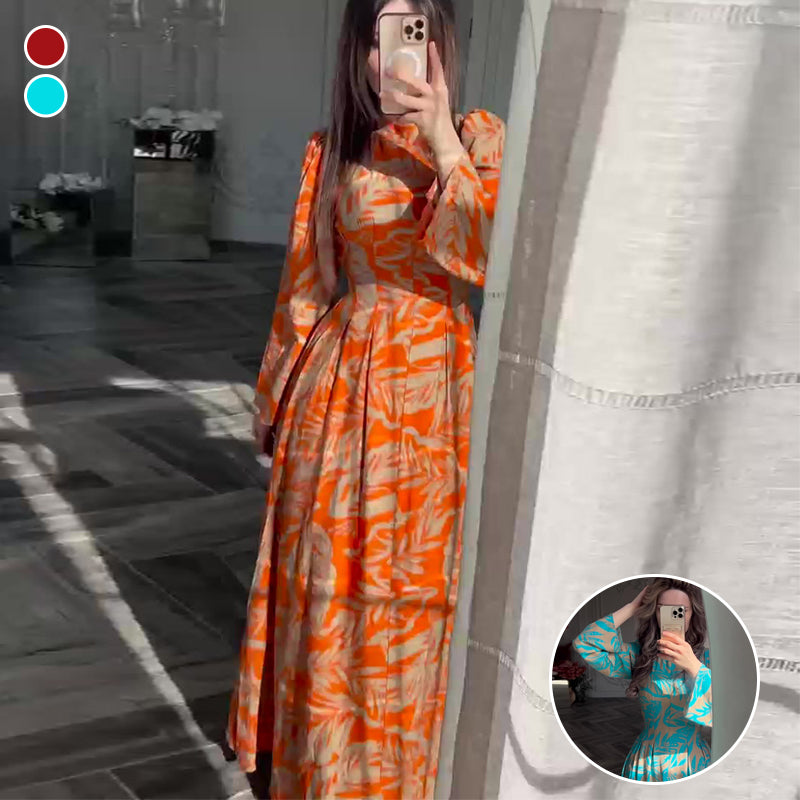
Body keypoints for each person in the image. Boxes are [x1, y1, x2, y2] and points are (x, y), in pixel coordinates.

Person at [226, 0, 505, 796]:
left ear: (439, 43)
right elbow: (304, 288)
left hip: (438, 395)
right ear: (360, 49)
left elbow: (488, 261)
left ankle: (403, 770)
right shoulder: (332, 151)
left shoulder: (483, 140)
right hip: (340, 389)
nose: (396, 55)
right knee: (329, 578)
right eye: (382, 34)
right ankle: (325, 765)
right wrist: (275, 403)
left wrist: (443, 142)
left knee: (418, 586)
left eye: (413, 31)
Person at [572, 579, 713, 782]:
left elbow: (723, 714)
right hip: (646, 764)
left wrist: (693, 666)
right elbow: (584, 643)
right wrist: (631, 608)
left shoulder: (707, 660)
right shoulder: (639, 656)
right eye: (664, 609)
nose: (673, 616)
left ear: (693, 614)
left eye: (681, 610)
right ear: (655, 613)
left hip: (692, 763)